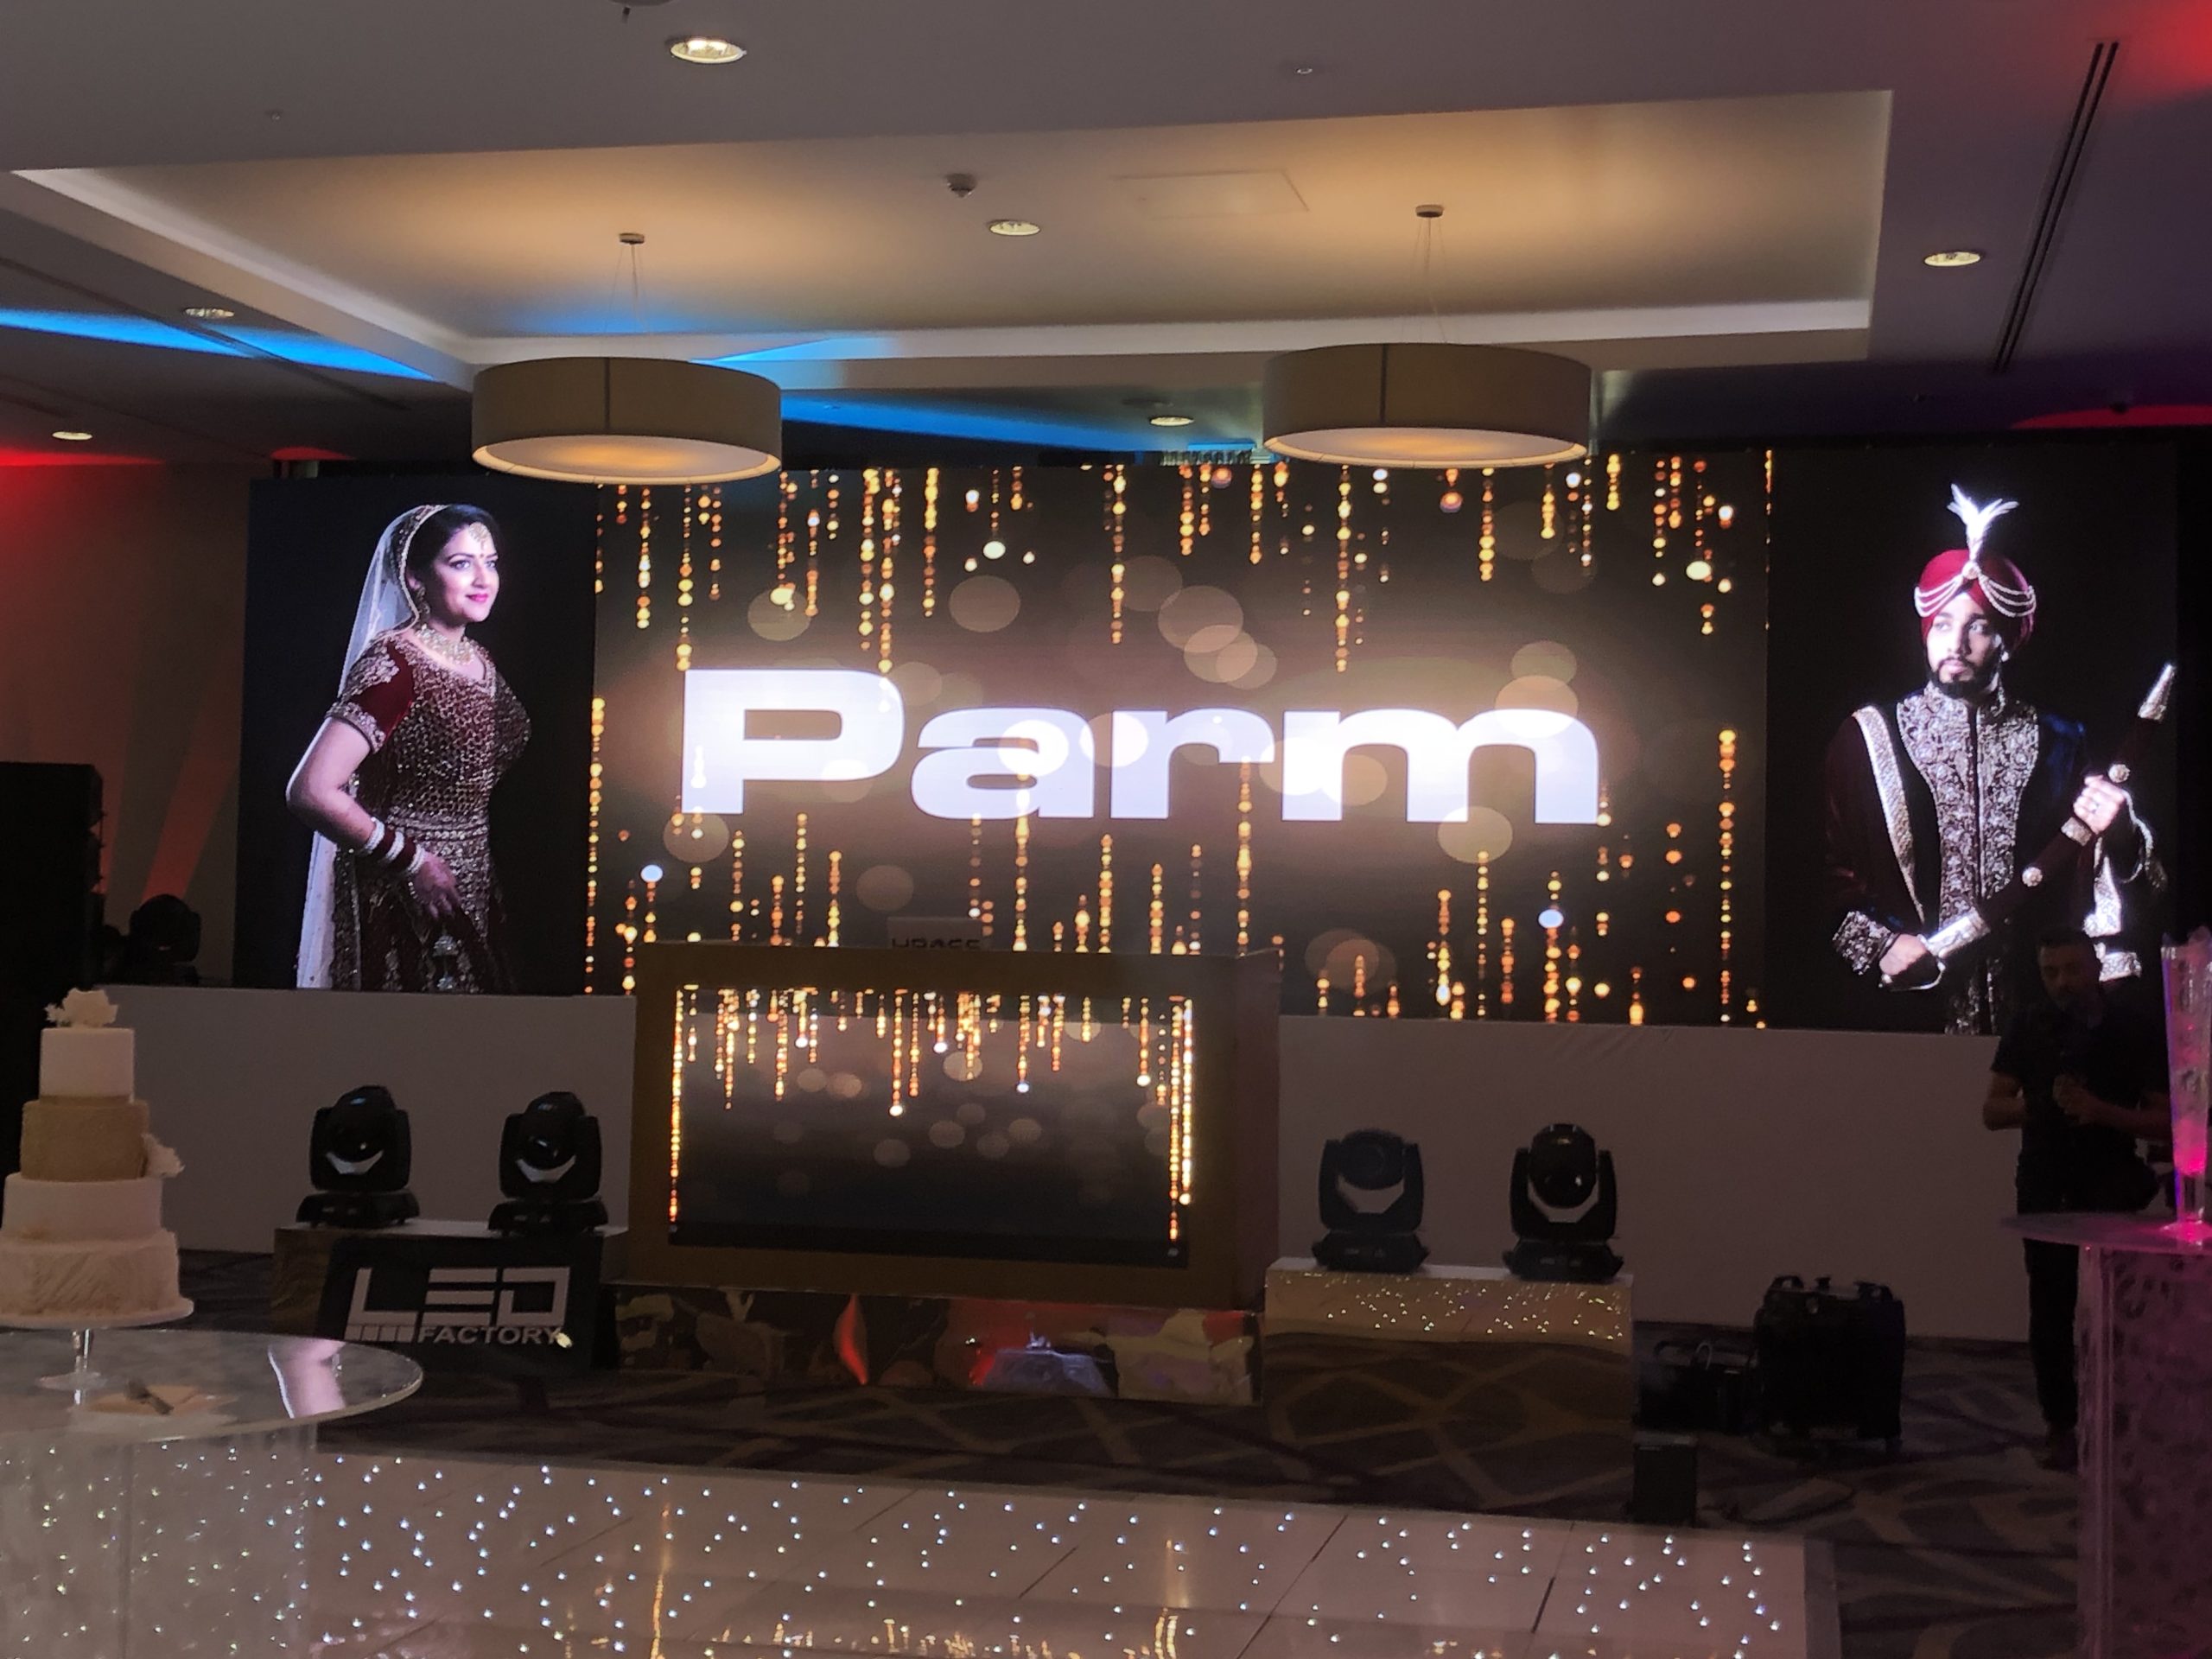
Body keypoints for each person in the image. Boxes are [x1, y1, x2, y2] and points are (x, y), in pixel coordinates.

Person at [1822, 486, 2161, 1034]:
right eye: (1942, 624)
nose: (1956, 642)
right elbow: (1820, 875)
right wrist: (1882, 944)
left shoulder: (2059, 740)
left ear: (2007, 639)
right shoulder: (1866, 738)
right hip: (1904, 1014)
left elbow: (2094, 876)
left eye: (1978, 625)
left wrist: (2121, 833)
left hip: (2035, 1014)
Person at [286, 503, 531, 992]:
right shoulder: (396, 665)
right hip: (406, 895)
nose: (483, 578)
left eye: (490, 562)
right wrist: (412, 861)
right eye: (460, 563)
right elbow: (311, 790)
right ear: (414, 577)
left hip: (471, 885)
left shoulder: (477, 659)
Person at [1984, 926, 2166, 1470]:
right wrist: (2044, 1104)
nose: (2062, 982)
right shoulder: (2028, 1025)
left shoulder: (2132, 1028)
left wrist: (2100, 1111)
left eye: (2071, 969)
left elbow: (2166, 1121)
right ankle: (2060, 1425)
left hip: (2109, 1181)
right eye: (2050, 972)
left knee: (2115, 1309)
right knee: (2050, 1307)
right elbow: (1992, 1110)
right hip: (2044, 1181)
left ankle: (2117, 1419)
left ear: (2096, 967)